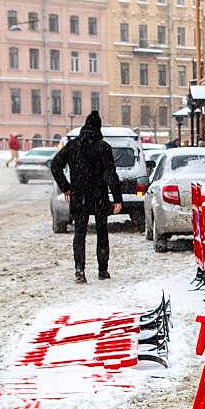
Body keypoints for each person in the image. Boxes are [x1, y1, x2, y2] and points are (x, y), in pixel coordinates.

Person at [50, 111, 123, 284]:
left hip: (79, 195)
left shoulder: (73, 146)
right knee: (102, 232)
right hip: (99, 194)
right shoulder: (103, 147)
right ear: (98, 127)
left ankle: (79, 270)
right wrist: (117, 198)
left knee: (80, 233)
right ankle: (103, 270)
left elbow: (55, 165)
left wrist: (66, 187)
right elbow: (110, 174)